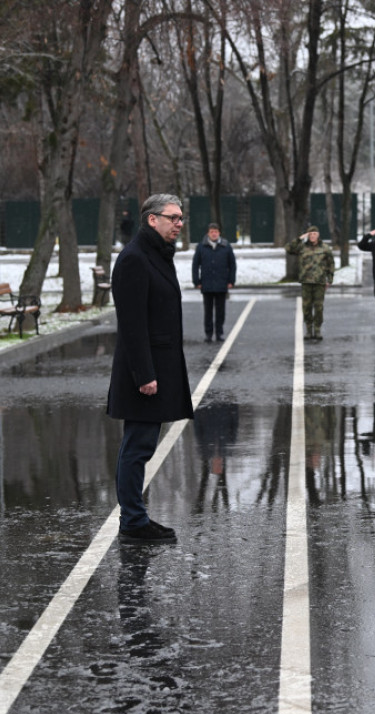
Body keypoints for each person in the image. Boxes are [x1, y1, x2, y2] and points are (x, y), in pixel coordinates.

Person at [107, 193, 194, 545]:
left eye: (180, 217)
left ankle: (135, 517)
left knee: (141, 446)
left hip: (157, 368)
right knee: (137, 447)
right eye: (172, 217)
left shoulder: (154, 254)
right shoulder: (134, 259)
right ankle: (133, 521)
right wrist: (144, 375)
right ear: (151, 220)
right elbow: (131, 325)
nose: (179, 223)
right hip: (143, 373)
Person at [285, 224, 334, 340]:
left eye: (315, 234)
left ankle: (317, 329)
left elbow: (330, 264)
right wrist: (299, 238)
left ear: (318, 235)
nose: (313, 236)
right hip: (306, 281)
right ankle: (308, 329)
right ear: (308, 235)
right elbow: (288, 248)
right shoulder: (302, 247)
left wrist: (329, 279)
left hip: (320, 282)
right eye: (311, 234)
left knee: (318, 307)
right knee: (306, 307)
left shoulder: (325, 248)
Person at [192, 222, 236, 343]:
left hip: (222, 284)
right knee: (208, 311)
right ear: (208, 233)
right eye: (212, 232)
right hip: (206, 284)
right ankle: (208, 333)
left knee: (220, 311)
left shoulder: (226, 246)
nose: (214, 234)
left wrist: (231, 280)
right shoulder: (201, 247)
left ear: (219, 233)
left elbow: (232, 265)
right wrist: (197, 281)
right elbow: (195, 265)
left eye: (216, 232)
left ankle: (219, 333)